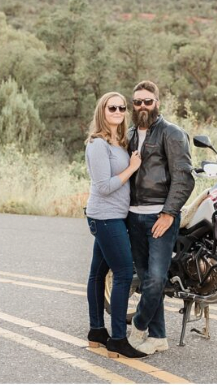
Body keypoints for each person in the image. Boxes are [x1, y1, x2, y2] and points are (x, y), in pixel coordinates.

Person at [125, 80, 194, 355]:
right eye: (138, 102)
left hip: (159, 217)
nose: (142, 106)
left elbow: (184, 177)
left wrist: (168, 213)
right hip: (132, 216)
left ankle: (139, 325)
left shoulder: (172, 133)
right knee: (145, 279)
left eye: (148, 101)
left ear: (157, 103)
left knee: (155, 279)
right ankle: (158, 336)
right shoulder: (128, 134)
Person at [85, 92, 147, 359]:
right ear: (103, 110)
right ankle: (118, 339)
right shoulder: (98, 144)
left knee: (98, 274)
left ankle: (97, 332)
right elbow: (104, 187)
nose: (119, 110)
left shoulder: (118, 141)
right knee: (122, 273)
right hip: (105, 216)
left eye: (122, 107)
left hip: (115, 216)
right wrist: (132, 168)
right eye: (113, 107)